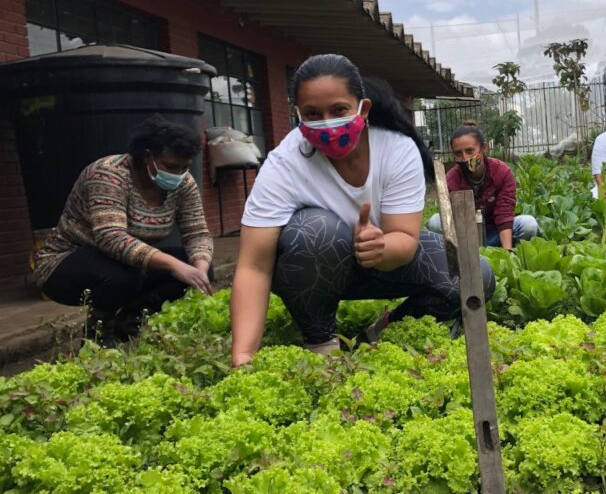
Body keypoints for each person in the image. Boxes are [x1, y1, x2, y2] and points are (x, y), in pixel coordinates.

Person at [230, 54, 495, 365]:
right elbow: (254, 266)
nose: (327, 122)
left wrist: (382, 247)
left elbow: (405, 240)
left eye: (339, 110)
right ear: (297, 114)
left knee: (475, 274)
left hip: (382, 260)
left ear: (363, 108)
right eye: (313, 113)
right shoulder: (284, 164)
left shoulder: (396, 149)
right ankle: (320, 339)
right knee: (317, 230)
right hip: (311, 266)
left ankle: (385, 331)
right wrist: (243, 354)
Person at [32, 115, 213, 336]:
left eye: (184, 167)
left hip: (129, 262)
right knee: (126, 276)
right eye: (170, 166)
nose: (177, 174)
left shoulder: (183, 183)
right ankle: (99, 332)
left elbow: (197, 232)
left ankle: (131, 316)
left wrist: (200, 268)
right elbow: (111, 237)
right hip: (65, 264)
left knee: (195, 265)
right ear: (147, 156)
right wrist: (174, 265)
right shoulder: (108, 174)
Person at [426, 123, 539, 250]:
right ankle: (459, 255)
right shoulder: (451, 180)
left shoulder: (502, 172)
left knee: (528, 224)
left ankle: (508, 249)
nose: (465, 158)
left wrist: (507, 255)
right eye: (458, 153)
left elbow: (504, 214)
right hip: (466, 237)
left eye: (470, 151)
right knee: (435, 222)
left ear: (484, 148)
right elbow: (453, 220)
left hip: (496, 232)